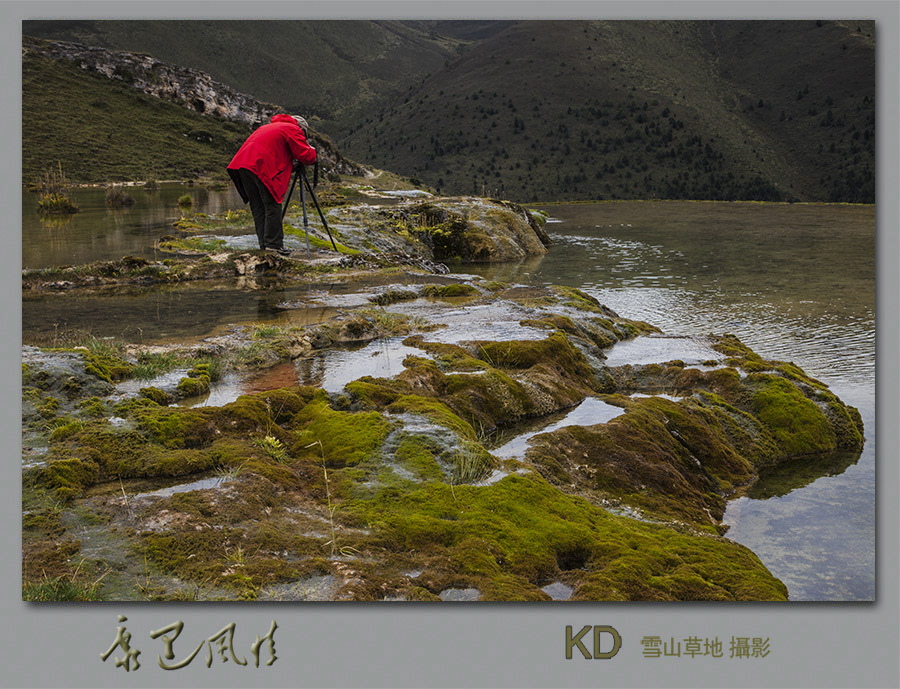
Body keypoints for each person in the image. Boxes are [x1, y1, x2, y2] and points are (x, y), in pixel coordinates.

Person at [227, 114, 317, 256]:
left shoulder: (269, 127)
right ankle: (274, 246)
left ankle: (264, 246)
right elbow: (306, 156)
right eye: (304, 134)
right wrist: (312, 150)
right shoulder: (292, 128)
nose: (303, 136)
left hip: (243, 165)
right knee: (272, 205)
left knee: (258, 207)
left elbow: (275, 152)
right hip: (260, 166)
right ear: (301, 128)